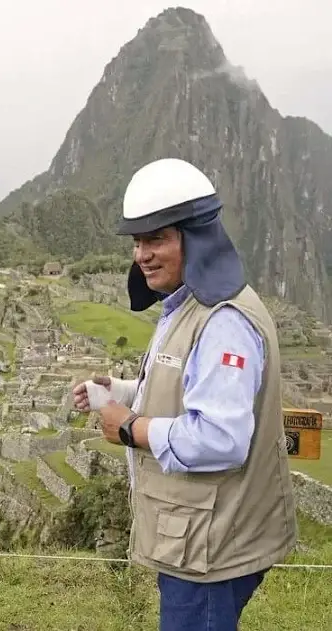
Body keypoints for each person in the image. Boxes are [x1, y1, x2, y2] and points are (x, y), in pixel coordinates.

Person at [72, 158, 297, 631]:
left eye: (156, 239)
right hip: (197, 538)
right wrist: (122, 390)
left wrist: (129, 427)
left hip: (211, 549)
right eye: (137, 241)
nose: (141, 255)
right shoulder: (187, 303)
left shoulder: (223, 323)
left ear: (196, 238)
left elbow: (219, 438)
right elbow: (190, 389)